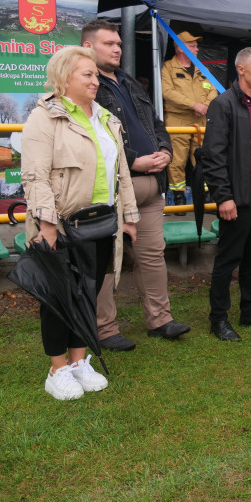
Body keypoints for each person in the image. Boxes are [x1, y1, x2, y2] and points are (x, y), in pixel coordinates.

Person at [21, 46, 139, 399]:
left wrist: (129, 216)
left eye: (95, 75)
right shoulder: (44, 117)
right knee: (59, 297)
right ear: (64, 78)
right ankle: (56, 370)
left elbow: (122, 173)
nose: (95, 81)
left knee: (87, 293)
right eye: (87, 74)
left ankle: (77, 362)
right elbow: (35, 176)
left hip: (101, 224)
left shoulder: (105, 117)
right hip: (61, 225)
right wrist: (46, 225)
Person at [82, 21, 190, 349]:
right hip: (113, 187)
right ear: (88, 47)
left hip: (150, 186)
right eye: (109, 43)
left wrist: (165, 150)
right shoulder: (84, 85)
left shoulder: (128, 81)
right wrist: (132, 160)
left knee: (153, 255)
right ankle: (104, 330)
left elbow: (156, 122)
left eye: (119, 43)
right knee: (106, 260)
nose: (117, 48)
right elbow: (88, 137)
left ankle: (160, 320)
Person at [200, 47, 251, 341]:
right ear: (241, 70)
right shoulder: (223, 104)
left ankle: (249, 310)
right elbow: (213, 156)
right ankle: (218, 319)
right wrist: (224, 197)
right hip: (238, 194)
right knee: (228, 258)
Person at [161, 31, 218, 206]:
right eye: (192, 46)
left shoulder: (203, 68)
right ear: (180, 48)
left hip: (201, 119)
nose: (197, 49)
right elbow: (167, 92)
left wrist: (205, 106)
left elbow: (213, 89)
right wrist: (193, 105)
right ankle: (178, 196)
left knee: (204, 157)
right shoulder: (168, 68)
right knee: (177, 159)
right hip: (178, 120)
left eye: (196, 46)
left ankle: (206, 194)